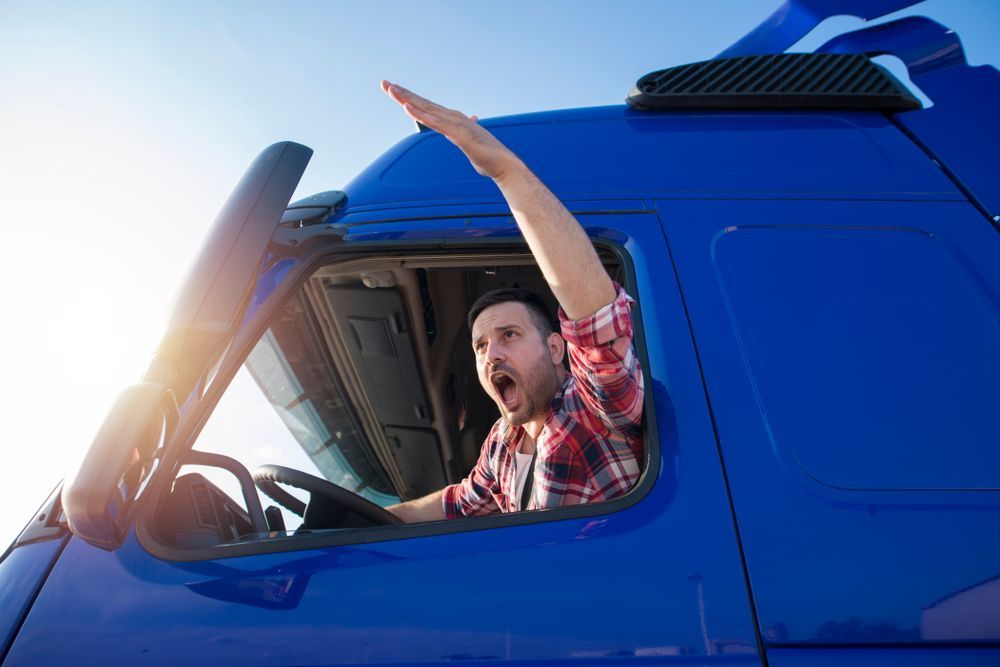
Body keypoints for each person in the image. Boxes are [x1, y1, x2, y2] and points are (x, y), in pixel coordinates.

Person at [381, 81, 643, 522]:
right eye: (481, 346)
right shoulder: (503, 443)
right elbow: (456, 504)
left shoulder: (591, 410)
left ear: (556, 348)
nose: (491, 354)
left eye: (509, 335)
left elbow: (599, 329)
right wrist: (357, 518)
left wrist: (506, 172)